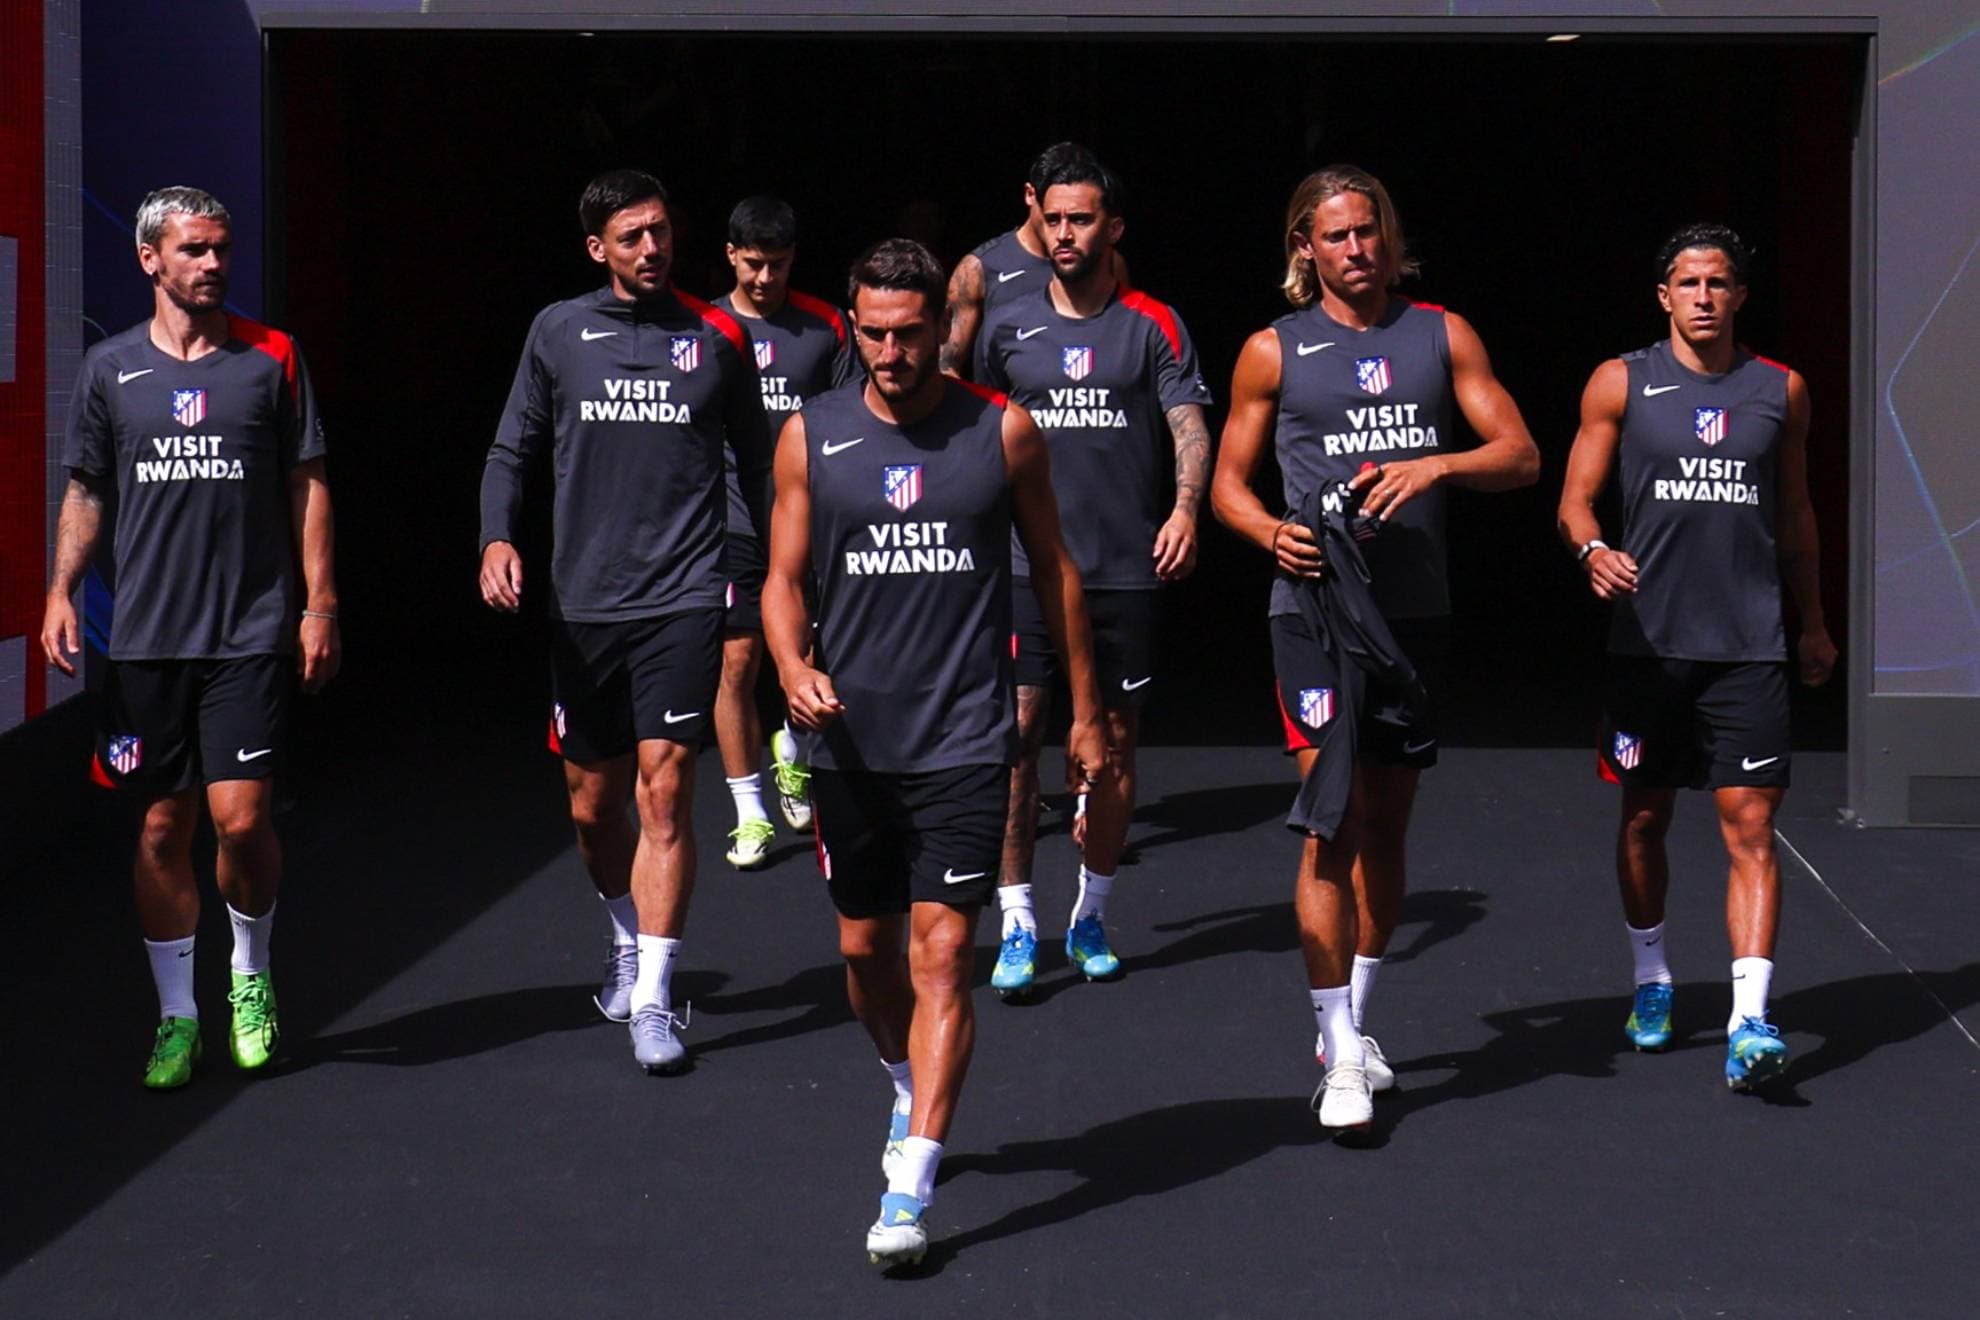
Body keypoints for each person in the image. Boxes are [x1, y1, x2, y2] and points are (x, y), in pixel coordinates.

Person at [762, 239, 1106, 1267]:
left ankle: (909, 1184)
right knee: (866, 959)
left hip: (964, 738)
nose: (890, 351)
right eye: (871, 333)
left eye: (909, 333)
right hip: (849, 743)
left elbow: (1056, 573)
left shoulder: (1000, 431)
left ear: (941, 331)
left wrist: (1085, 714)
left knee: (946, 954)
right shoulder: (809, 438)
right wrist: (788, 664)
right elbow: (782, 579)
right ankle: (908, 1085)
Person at [1210, 165, 1538, 1131]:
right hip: (1310, 611)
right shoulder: (1273, 350)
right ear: (1303, 249)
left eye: (1369, 233)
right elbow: (1228, 485)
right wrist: (1270, 532)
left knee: (1388, 823)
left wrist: (1439, 461)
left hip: (1412, 614)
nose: (1356, 250)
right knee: (1331, 818)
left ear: (1389, 241)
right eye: (1336, 236)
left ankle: (1355, 1015)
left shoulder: (1442, 334)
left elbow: (1520, 454)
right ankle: (1341, 1054)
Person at [41, 185, 340, 1088]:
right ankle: (177, 1016)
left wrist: (319, 606)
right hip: (144, 642)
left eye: (220, 249)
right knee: (163, 830)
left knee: (240, 821)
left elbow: (309, 486)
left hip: (248, 632)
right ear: (151, 260)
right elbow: (88, 489)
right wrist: (59, 589)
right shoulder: (109, 370)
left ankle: (250, 978)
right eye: (194, 250)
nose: (212, 264)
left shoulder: (271, 359)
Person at [479, 169, 771, 1074]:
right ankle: (624, 937)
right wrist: (495, 538)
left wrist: (778, 577)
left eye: (660, 232)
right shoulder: (558, 332)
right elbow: (510, 448)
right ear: (597, 248)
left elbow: (766, 467)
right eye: (631, 236)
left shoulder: (718, 334)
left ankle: (654, 998)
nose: (651, 249)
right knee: (593, 803)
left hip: (684, 597)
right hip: (583, 605)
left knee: (664, 788)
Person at [1557, 223, 1835, 1092]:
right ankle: (1651, 980)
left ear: (1740, 296)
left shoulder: (1779, 391)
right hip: (1650, 645)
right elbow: (1574, 500)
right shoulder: (1622, 382)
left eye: (1720, 283)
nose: (1705, 296)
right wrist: (1591, 550)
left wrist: (1814, 622)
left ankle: (1750, 1019)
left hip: (1748, 647)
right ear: (1664, 296)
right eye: (1689, 283)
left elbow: (1795, 516)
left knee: (1752, 826)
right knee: (1645, 820)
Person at [977, 147, 1212, 996]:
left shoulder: (1154, 322)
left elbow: (1188, 421)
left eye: (1083, 219)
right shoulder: (1006, 327)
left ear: (1112, 227)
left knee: (1112, 743)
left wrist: (1185, 508)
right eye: (1055, 218)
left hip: (1123, 570)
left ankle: (1091, 912)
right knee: (1017, 736)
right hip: (1023, 570)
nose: (1065, 233)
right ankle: (1016, 920)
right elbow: (970, 440)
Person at [709, 195, 859, 867]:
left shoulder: (826, 325)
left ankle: (792, 755)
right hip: (733, 518)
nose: (766, 278)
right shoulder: (704, 327)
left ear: (794, 260)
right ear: (731, 255)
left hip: (810, 520)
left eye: (778, 265)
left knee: (809, 658)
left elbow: (859, 420)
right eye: (754, 264)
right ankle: (749, 813)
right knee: (738, 660)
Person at [941, 141, 1131, 381]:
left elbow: (1123, 342)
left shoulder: (1108, 262)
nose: (1063, 231)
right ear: (1031, 195)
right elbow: (945, 368)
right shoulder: (979, 268)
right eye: (1053, 212)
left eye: (1077, 215)